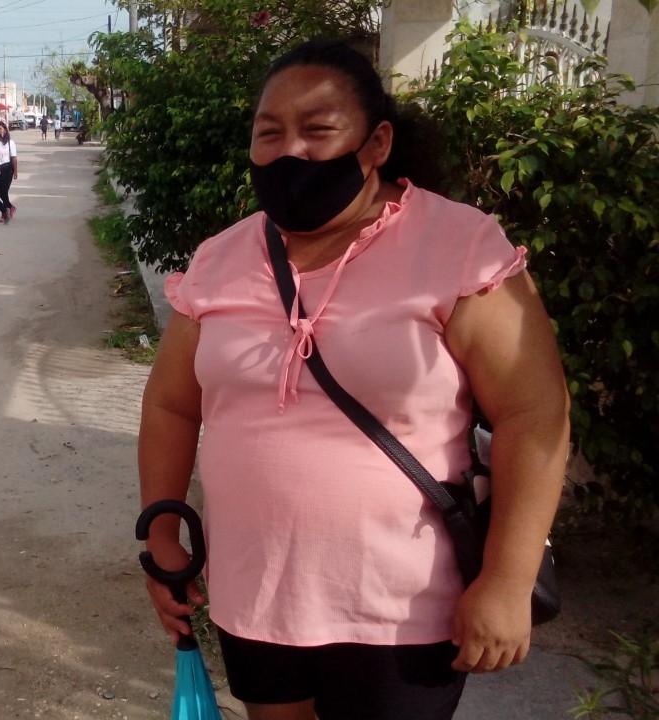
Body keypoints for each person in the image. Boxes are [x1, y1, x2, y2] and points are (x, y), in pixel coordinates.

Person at [137, 39, 569, 720]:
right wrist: (161, 531)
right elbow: (170, 403)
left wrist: (508, 581)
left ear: (377, 143)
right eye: (270, 133)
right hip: (256, 596)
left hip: (403, 609)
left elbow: (534, 415)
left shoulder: (456, 246)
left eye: (318, 130)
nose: (291, 152)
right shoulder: (220, 259)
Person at [0, 121, 19, 222]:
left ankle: (4, 213)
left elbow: (14, 158)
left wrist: (15, 171)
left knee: (4, 191)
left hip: (8, 168)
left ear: (5, 129)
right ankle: (10, 207)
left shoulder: (10, 143)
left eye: (0, 129)